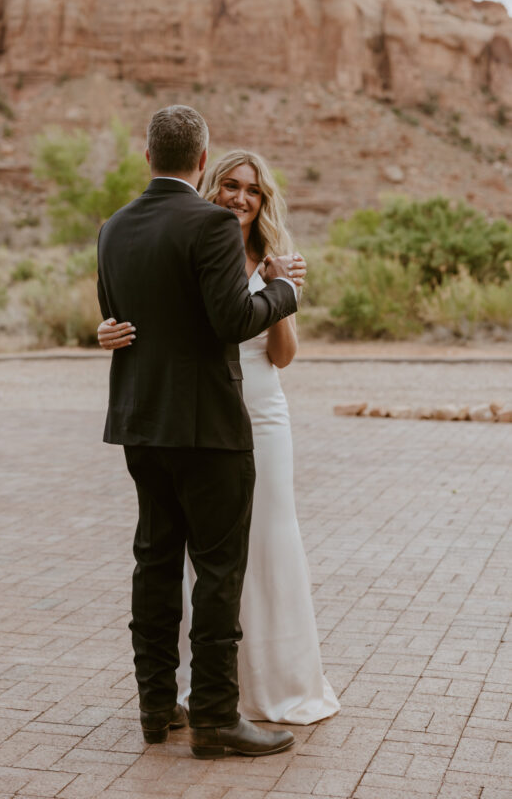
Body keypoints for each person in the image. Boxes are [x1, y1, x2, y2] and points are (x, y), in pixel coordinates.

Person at [99, 149, 340, 725]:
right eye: (230, 184)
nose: (239, 197)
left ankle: (277, 683)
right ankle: (209, 696)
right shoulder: (194, 238)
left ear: (264, 201)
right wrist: (107, 328)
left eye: (252, 191)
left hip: (261, 413)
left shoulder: (271, 257)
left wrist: (281, 297)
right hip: (202, 414)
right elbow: (157, 314)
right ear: (208, 178)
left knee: (269, 542)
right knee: (208, 561)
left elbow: (281, 356)